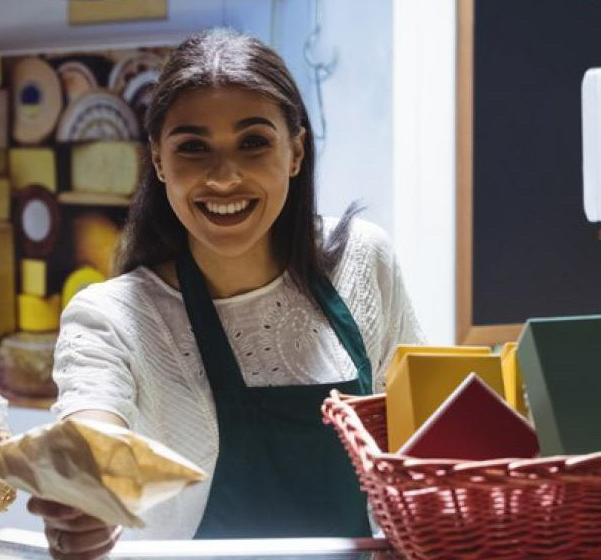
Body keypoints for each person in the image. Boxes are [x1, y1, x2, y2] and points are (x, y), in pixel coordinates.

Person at [28, 28, 423, 560]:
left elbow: (423, 433)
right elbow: (92, 434)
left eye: (253, 141)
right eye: (193, 148)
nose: (224, 177)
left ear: (296, 151)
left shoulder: (364, 262)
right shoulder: (113, 316)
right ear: (160, 161)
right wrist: (87, 503)